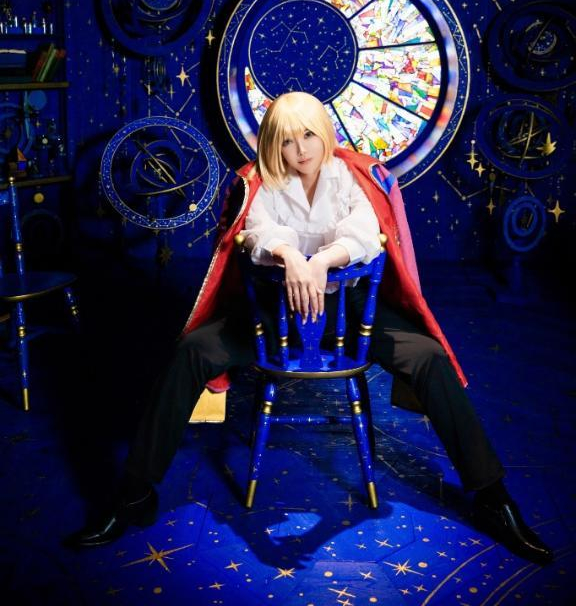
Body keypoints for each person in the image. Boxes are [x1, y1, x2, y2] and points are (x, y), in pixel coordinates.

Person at [70, 92, 552, 564]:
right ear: (272, 144)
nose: (299, 149)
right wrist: (289, 256)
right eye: (286, 140)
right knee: (192, 351)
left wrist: (320, 260)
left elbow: (364, 233)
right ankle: (134, 492)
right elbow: (257, 232)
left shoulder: (352, 177)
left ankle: (493, 497)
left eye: (307, 136)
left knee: (427, 356)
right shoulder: (261, 183)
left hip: (350, 316)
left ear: (324, 133)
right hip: (273, 318)